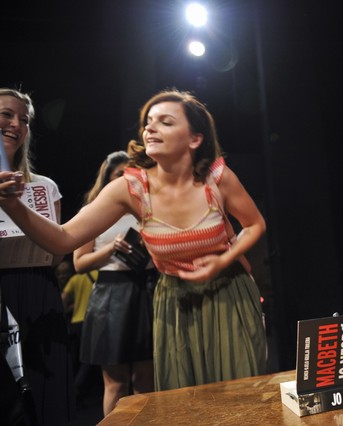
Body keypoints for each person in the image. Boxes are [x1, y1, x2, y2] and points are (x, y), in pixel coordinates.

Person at [0, 89, 268, 393]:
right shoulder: (130, 188)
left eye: (166, 122)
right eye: (148, 122)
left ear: (195, 139)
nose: (150, 128)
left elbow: (254, 224)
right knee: (187, 400)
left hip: (230, 292)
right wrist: (13, 205)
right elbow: (63, 239)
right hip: (176, 301)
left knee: (241, 393)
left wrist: (223, 260)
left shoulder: (217, 178)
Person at [0, 88, 74, 425]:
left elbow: (57, 254)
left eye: (24, 119)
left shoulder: (45, 186)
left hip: (38, 293)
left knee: (46, 391)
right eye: (6, 114)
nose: (16, 124)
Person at [73, 150, 155, 415]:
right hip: (110, 295)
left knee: (146, 380)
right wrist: (111, 248)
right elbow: (79, 263)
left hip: (146, 290)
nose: (127, 179)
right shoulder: (93, 211)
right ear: (107, 178)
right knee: (115, 384)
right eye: (120, 174)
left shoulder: (147, 209)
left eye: (131, 174)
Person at [60, 267, 99, 407]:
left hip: (76, 322)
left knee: (76, 358)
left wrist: (67, 310)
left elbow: (63, 297)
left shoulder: (75, 278)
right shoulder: (98, 274)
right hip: (93, 321)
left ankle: (71, 391)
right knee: (87, 359)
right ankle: (76, 390)